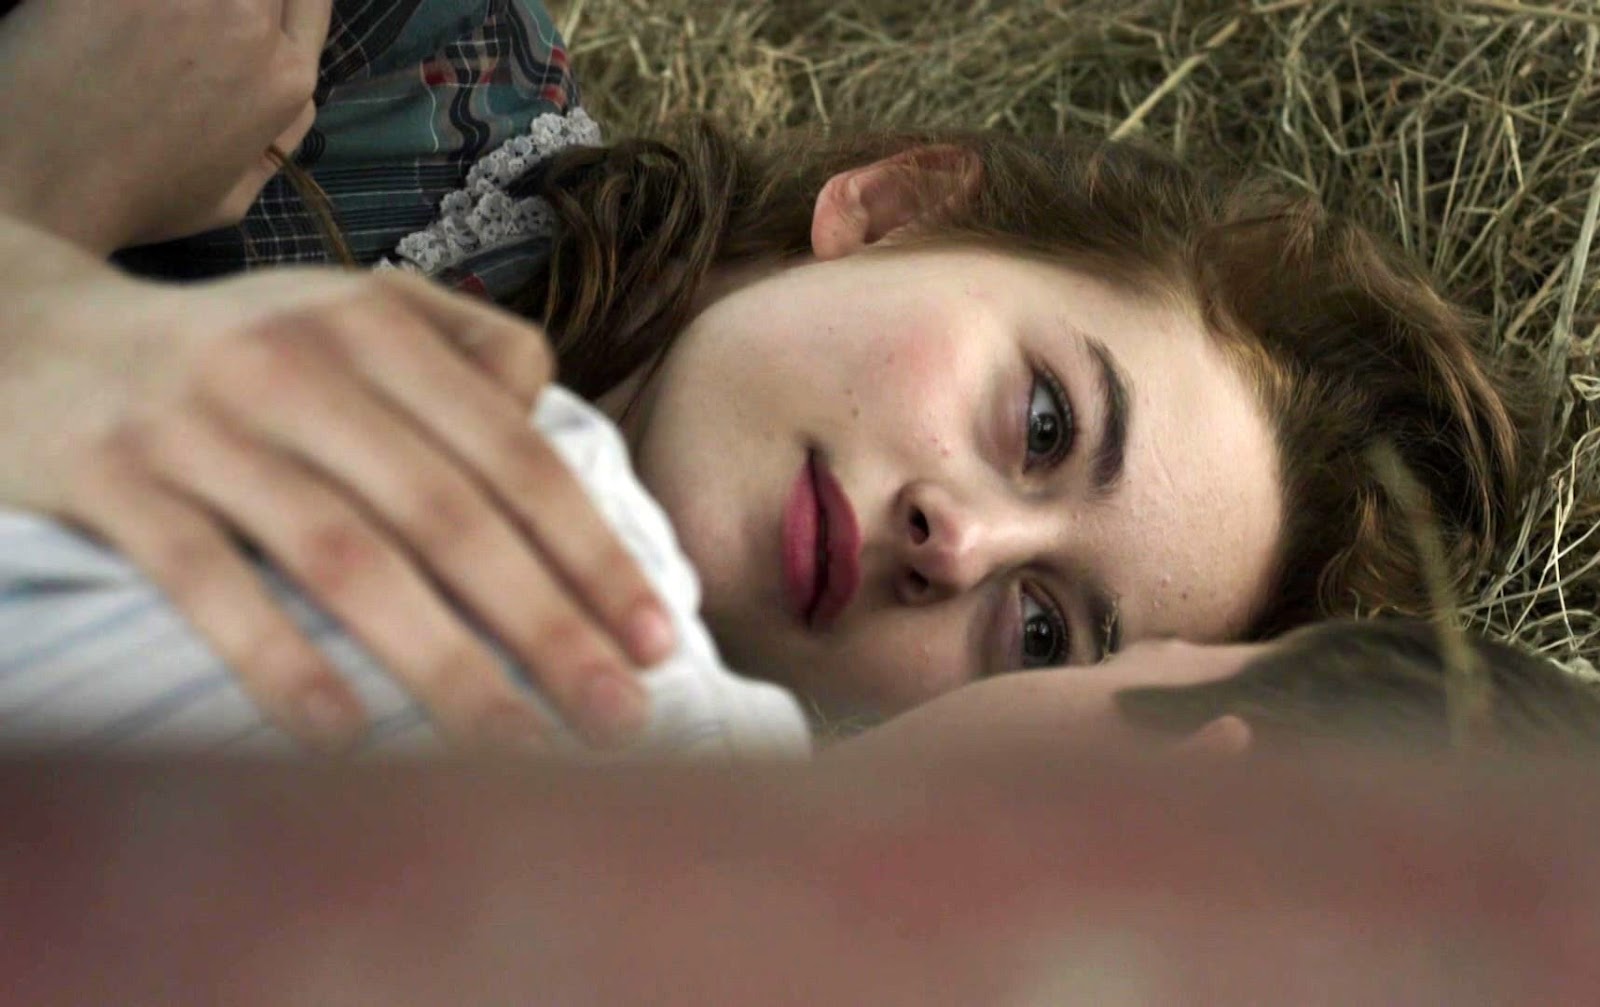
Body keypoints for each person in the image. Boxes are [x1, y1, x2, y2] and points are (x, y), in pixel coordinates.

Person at [0, 0, 1537, 755]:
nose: (959, 541)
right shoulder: (380, 43)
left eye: (1045, 633)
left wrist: (45, 186)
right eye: (1042, 423)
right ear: (898, 208)